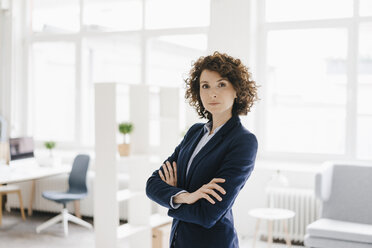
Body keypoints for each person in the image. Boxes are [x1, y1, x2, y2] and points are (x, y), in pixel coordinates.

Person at [146, 51, 259, 248]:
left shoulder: (243, 141)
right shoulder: (195, 132)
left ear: (237, 90)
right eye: (205, 86)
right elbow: (152, 184)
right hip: (178, 240)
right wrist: (186, 196)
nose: (212, 93)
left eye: (221, 84)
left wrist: (171, 196)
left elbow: (208, 214)